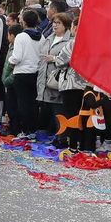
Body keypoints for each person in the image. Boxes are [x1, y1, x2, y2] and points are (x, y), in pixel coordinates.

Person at [37, 12, 80, 144]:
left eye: (58, 23)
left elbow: (65, 59)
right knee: (49, 110)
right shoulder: (49, 38)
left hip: (61, 79)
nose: (55, 25)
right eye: (54, 23)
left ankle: (63, 137)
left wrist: (54, 59)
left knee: (60, 111)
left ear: (66, 25)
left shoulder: (70, 41)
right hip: (45, 78)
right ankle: (55, 135)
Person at [8, 8, 43, 136]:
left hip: (21, 73)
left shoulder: (21, 36)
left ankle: (24, 129)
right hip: (35, 72)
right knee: (33, 103)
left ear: (24, 21)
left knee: (22, 103)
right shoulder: (42, 36)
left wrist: (10, 61)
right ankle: (33, 129)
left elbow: (17, 57)